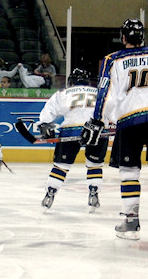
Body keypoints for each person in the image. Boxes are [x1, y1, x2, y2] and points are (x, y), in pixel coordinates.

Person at [79, 19, 148, 242]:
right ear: (142, 37)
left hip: (129, 121)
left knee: (129, 173)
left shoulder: (114, 60)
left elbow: (106, 94)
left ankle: (131, 220)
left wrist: (97, 121)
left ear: (123, 38)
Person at [37, 69, 109, 212]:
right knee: (94, 164)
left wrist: (44, 123)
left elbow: (49, 109)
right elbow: (110, 109)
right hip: (97, 130)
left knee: (61, 165)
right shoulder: (98, 92)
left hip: (71, 128)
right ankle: (93, 192)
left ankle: (50, 192)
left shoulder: (63, 93)